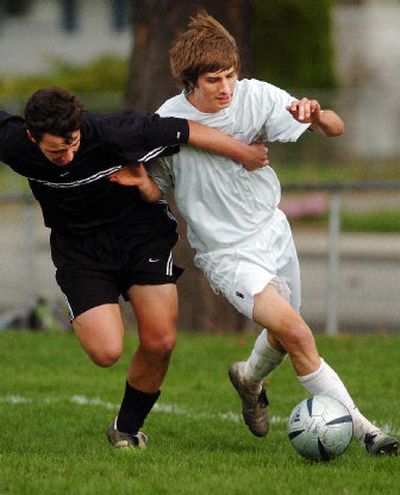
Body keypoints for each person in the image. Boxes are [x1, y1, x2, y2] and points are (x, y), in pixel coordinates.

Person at [110, 12, 399, 455]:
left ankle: (248, 377)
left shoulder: (256, 96)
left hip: (272, 231)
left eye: (230, 75)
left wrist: (318, 115)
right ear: (190, 81)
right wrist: (141, 182)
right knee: (298, 334)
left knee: (286, 336)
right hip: (226, 253)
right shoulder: (167, 121)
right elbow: (159, 191)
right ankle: (368, 434)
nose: (226, 88)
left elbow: (336, 127)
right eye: (213, 80)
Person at [0, 86, 269, 449]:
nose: (68, 154)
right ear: (32, 137)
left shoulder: (117, 131)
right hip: (80, 253)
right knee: (106, 351)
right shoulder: (15, 143)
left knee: (161, 340)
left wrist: (246, 153)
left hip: (140, 238)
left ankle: (125, 429)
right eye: (56, 150)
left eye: (73, 144)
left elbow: (186, 129)